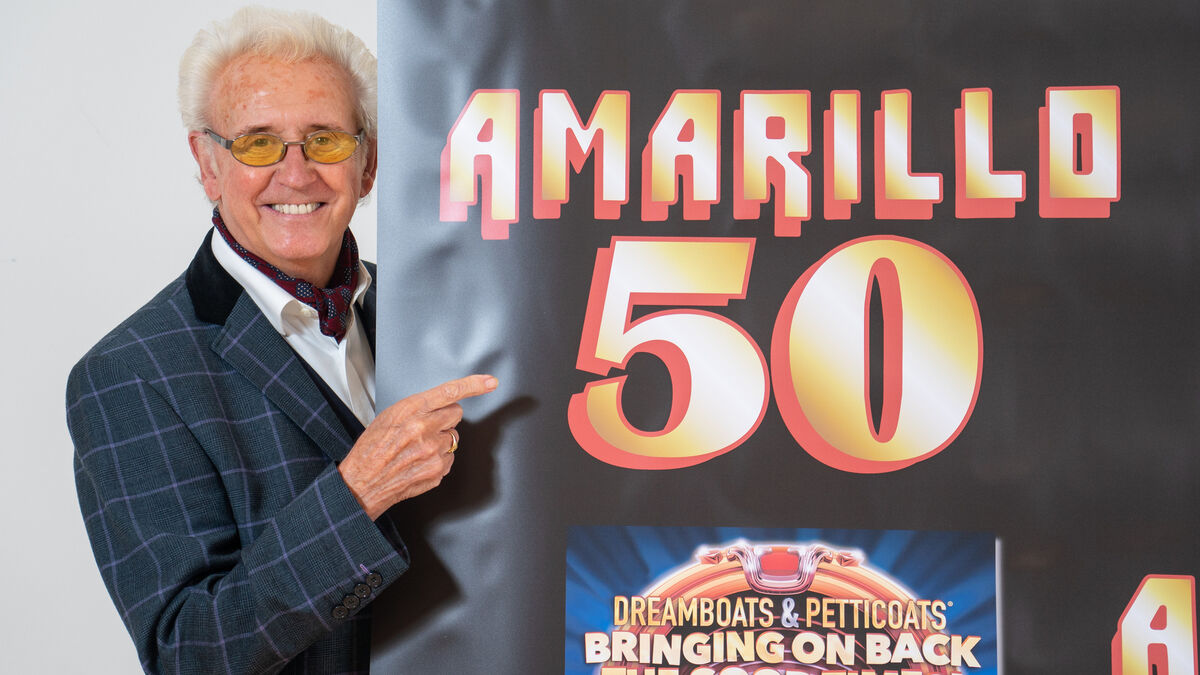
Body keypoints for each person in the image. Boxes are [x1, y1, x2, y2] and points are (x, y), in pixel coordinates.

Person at [66, 7, 497, 674]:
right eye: (259, 143)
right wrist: (356, 494)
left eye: (325, 139)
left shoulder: (440, 315)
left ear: (368, 163)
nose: (296, 174)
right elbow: (190, 652)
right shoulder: (129, 376)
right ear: (208, 164)